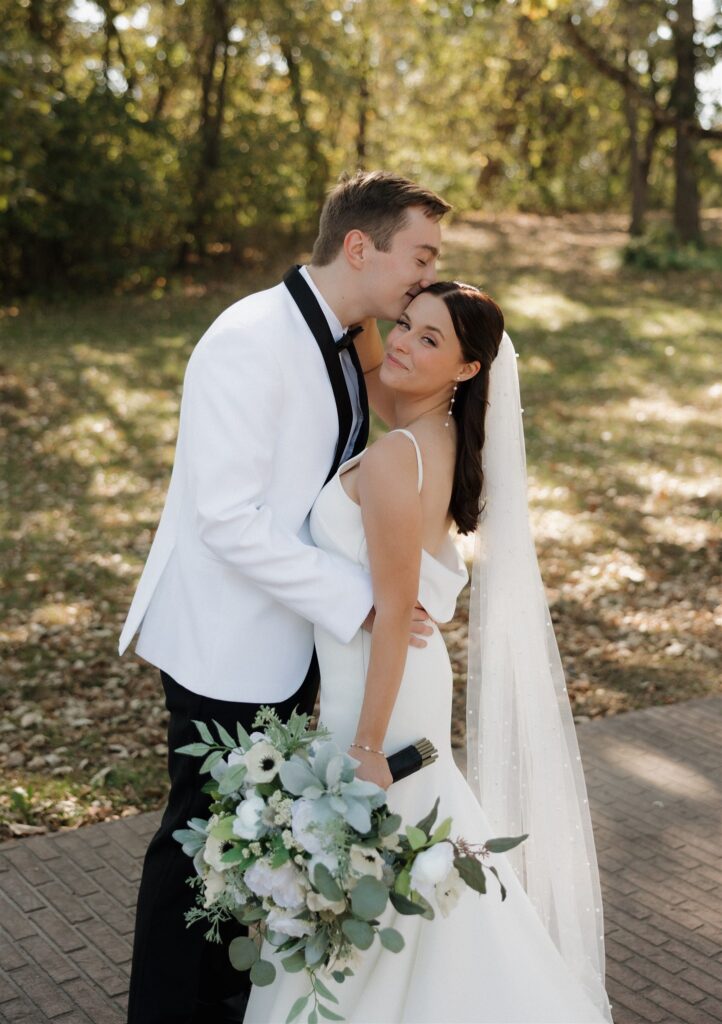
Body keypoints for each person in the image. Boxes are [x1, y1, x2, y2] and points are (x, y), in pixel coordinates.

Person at [117, 171, 451, 1024]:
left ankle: (221, 1003)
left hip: (289, 637)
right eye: (421, 255)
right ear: (358, 247)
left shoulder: (349, 335)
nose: (427, 272)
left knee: (247, 848)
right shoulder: (250, 338)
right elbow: (226, 519)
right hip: (225, 645)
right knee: (196, 850)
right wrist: (365, 597)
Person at [245, 283, 614, 1022]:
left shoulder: (394, 461)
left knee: (383, 856)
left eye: (430, 339)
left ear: (469, 370)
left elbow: (389, 615)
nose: (405, 344)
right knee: (412, 858)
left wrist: (367, 746)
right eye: (404, 326)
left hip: (378, 687)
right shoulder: (435, 433)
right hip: (392, 675)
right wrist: (360, 300)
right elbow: (387, 378)